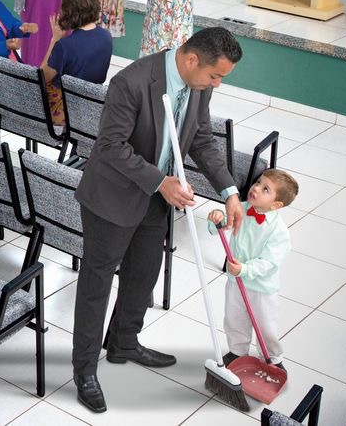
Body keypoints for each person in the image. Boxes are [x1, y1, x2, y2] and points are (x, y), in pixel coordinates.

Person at [71, 26, 245, 414]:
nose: (217, 83)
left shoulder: (200, 87)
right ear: (190, 59)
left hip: (156, 196)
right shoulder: (131, 82)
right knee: (97, 282)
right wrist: (159, 180)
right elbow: (110, 146)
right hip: (114, 196)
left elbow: (201, 140)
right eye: (215, 75)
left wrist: (230, 191)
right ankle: (84, 370)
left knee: (144, 273)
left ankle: (124, 343)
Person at [206, 168, 297, 369]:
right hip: (236, 281)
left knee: (265, 325)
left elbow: (269, 262)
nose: (256, 188)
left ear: (276, 204)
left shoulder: (278, 231)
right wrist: (217, 220)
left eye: (265, 189)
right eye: (258, 183)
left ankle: (274, 358)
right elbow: (219, 227)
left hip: (261, 287)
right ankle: (238, 352)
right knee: (234, 318)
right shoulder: (241, 208)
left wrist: (245, 269)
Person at [38, 0, 113, 126]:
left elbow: (42, 76)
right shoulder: (106, 36)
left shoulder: (64, 46)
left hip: (64, 108)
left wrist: (54, 39)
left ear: (69, 11)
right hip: (92, 102)